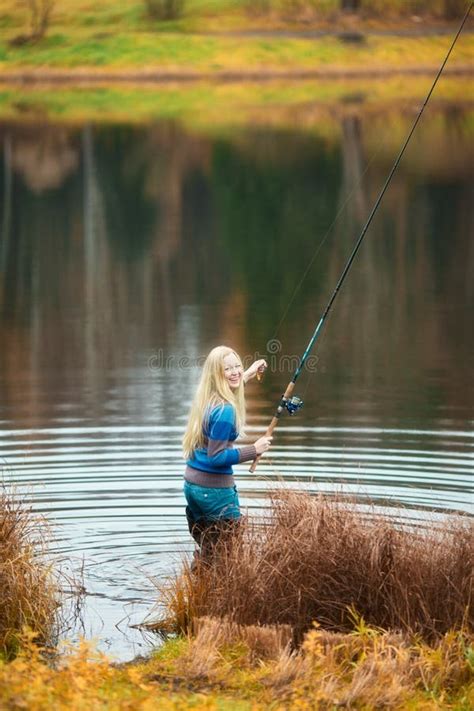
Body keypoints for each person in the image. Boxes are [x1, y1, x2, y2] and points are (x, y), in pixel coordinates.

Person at [182, 345, 272, 563]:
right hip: (214, 491)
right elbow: (216, 456)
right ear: (216, 375)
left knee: (210, 551)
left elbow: (231, 386)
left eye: (237, 366)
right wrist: (254, 450)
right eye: (228, 369)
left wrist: (248, 372)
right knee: (228, 554)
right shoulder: (226, 411)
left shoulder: (207, 397)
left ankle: (198, 593)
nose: (235, 372)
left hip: (193, 487)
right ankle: (219, 596)